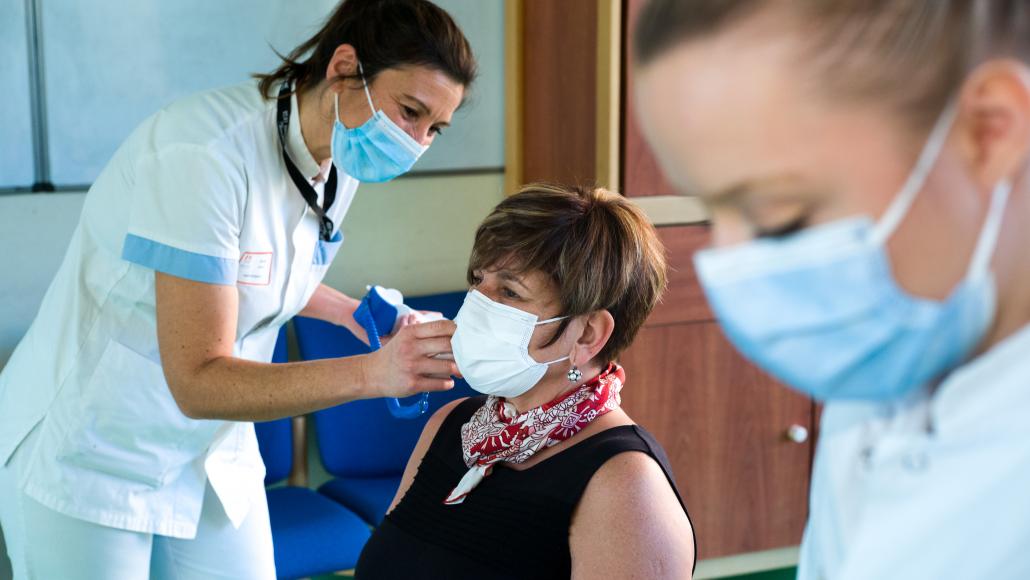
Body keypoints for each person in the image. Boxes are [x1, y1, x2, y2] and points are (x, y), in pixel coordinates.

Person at [0, 0, 476, 577]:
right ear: (345, 68)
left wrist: (355, 314)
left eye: (434, 128)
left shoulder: (340, 155)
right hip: (95, 449)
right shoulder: (203, 156)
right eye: (409, 111)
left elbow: (260, 271)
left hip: (212, 453)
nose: (416, 142)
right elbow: (199, 380)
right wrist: (376, 373)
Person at [632, 1, 1030, 578]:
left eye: (778, 216)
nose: (731, 260)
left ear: (990, 130)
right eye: (710, 212)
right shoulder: (886, 372)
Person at [354, 184, 696, 579]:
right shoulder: (453, 425)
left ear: (587, 335)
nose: (475, 305)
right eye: (478, 280)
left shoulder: (627, 487)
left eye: (509, 292)